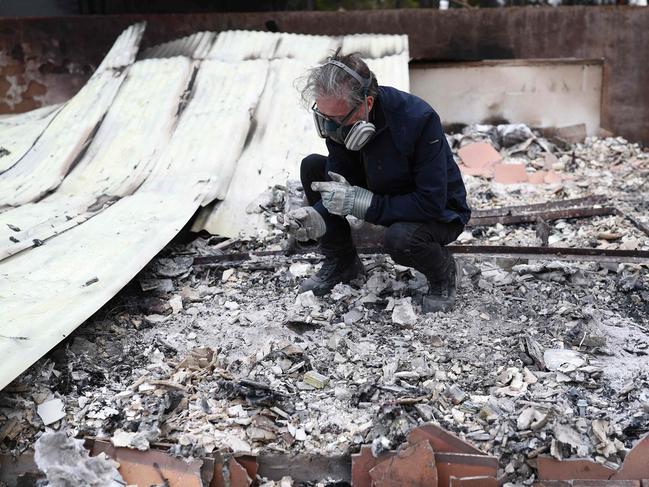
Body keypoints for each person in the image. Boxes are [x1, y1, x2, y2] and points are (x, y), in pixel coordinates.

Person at [287, 51, 471, 313]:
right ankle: (342, 261)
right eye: (325, 118)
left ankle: (443, 272)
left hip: (436, 211)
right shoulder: (337, 119)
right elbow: (337, 183)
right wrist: (316, 215)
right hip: (380, 190)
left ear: (367, 103)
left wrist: (364, 204)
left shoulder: (418, 119)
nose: (330, 129)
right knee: (313, 167)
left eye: (338, 120)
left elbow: (430, 202)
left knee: (400, 239)